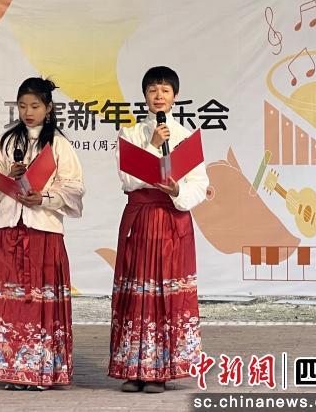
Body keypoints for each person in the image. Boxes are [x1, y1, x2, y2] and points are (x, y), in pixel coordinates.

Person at [0, 77, 84, 391]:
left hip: (43, 232)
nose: (28, 112)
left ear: (48, 108)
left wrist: (44, 197)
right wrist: (6, 176)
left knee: (40, 302)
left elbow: (74, 189)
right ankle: (11, 369)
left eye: (35, 106)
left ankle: (40, 370)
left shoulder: (59, 145)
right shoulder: (5, 142)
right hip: (9, 230)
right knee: (10, 301)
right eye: (23, 106)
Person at [109, 66, 208, 393]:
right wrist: (152, 145)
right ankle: (133, 369)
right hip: (141, 219)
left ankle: (161, 371)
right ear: (145, 96)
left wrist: (178, 190)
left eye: (165, 90)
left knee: (166, 295)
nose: (159, 96)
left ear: (175, 97)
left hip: (172, 220)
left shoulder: (186, 137)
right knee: (137, 294)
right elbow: (127, 179)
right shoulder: (131, 134)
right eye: (153, 90)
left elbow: (199, 184)